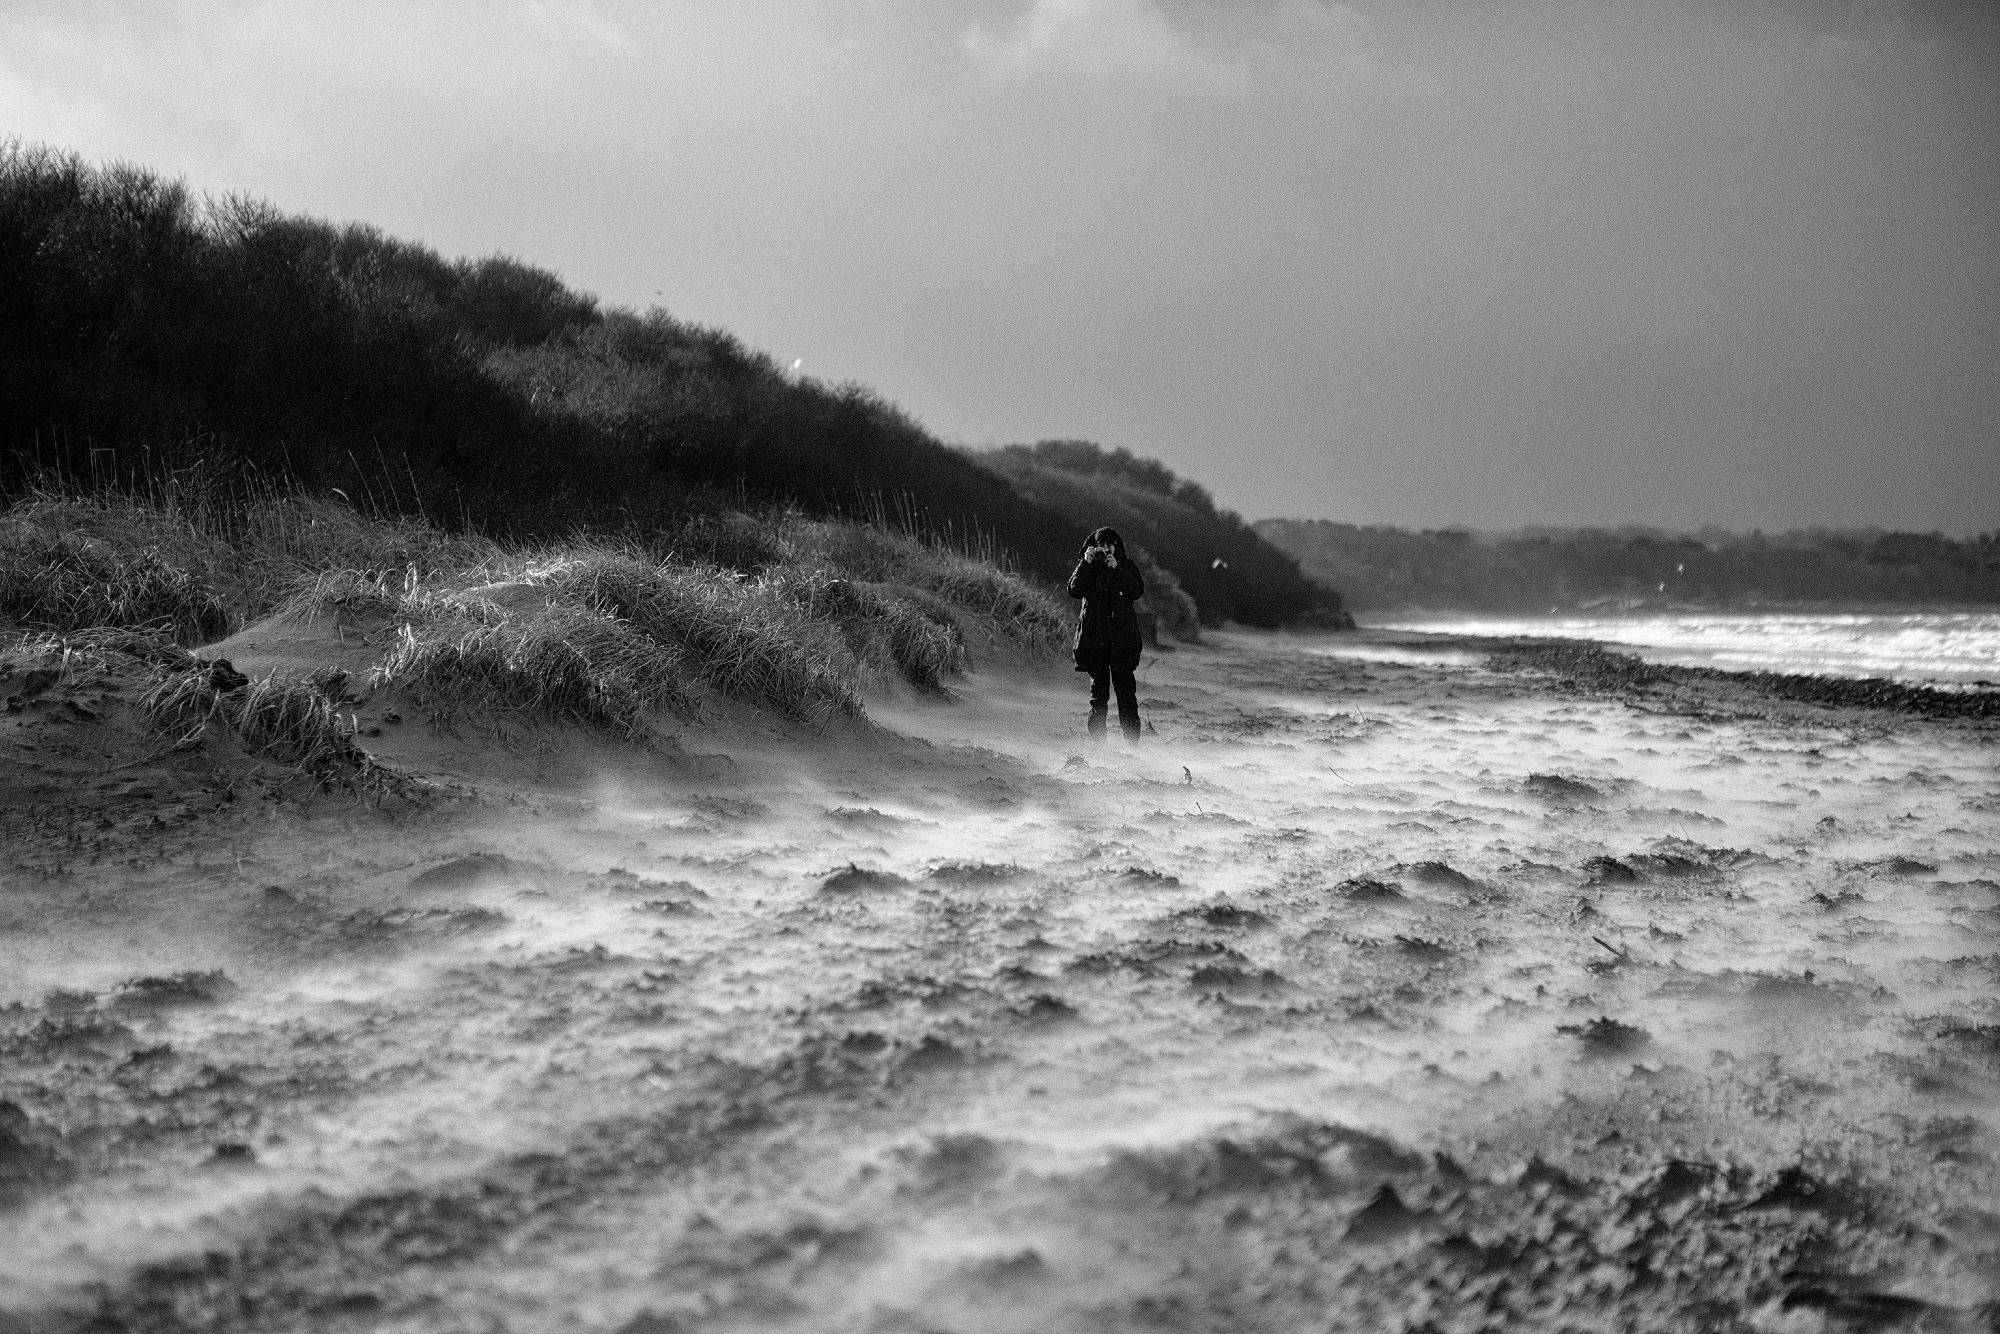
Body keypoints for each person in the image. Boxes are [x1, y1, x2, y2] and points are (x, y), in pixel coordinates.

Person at [1067, 526, 1145, 742]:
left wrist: (1118, 569)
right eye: (1102, 545)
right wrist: (1085, 563)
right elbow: (1073, 590)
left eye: (1110, 545)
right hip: (1095, 641)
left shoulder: (1126, 566)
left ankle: (1132, 743)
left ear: (1117, 546)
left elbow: (1137, 591)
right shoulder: (1088, 566)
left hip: (1122, 642)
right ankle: (1098, 744)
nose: (1106, 549)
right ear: (1094, 546)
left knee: (1127, 697)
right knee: (1098, 698)